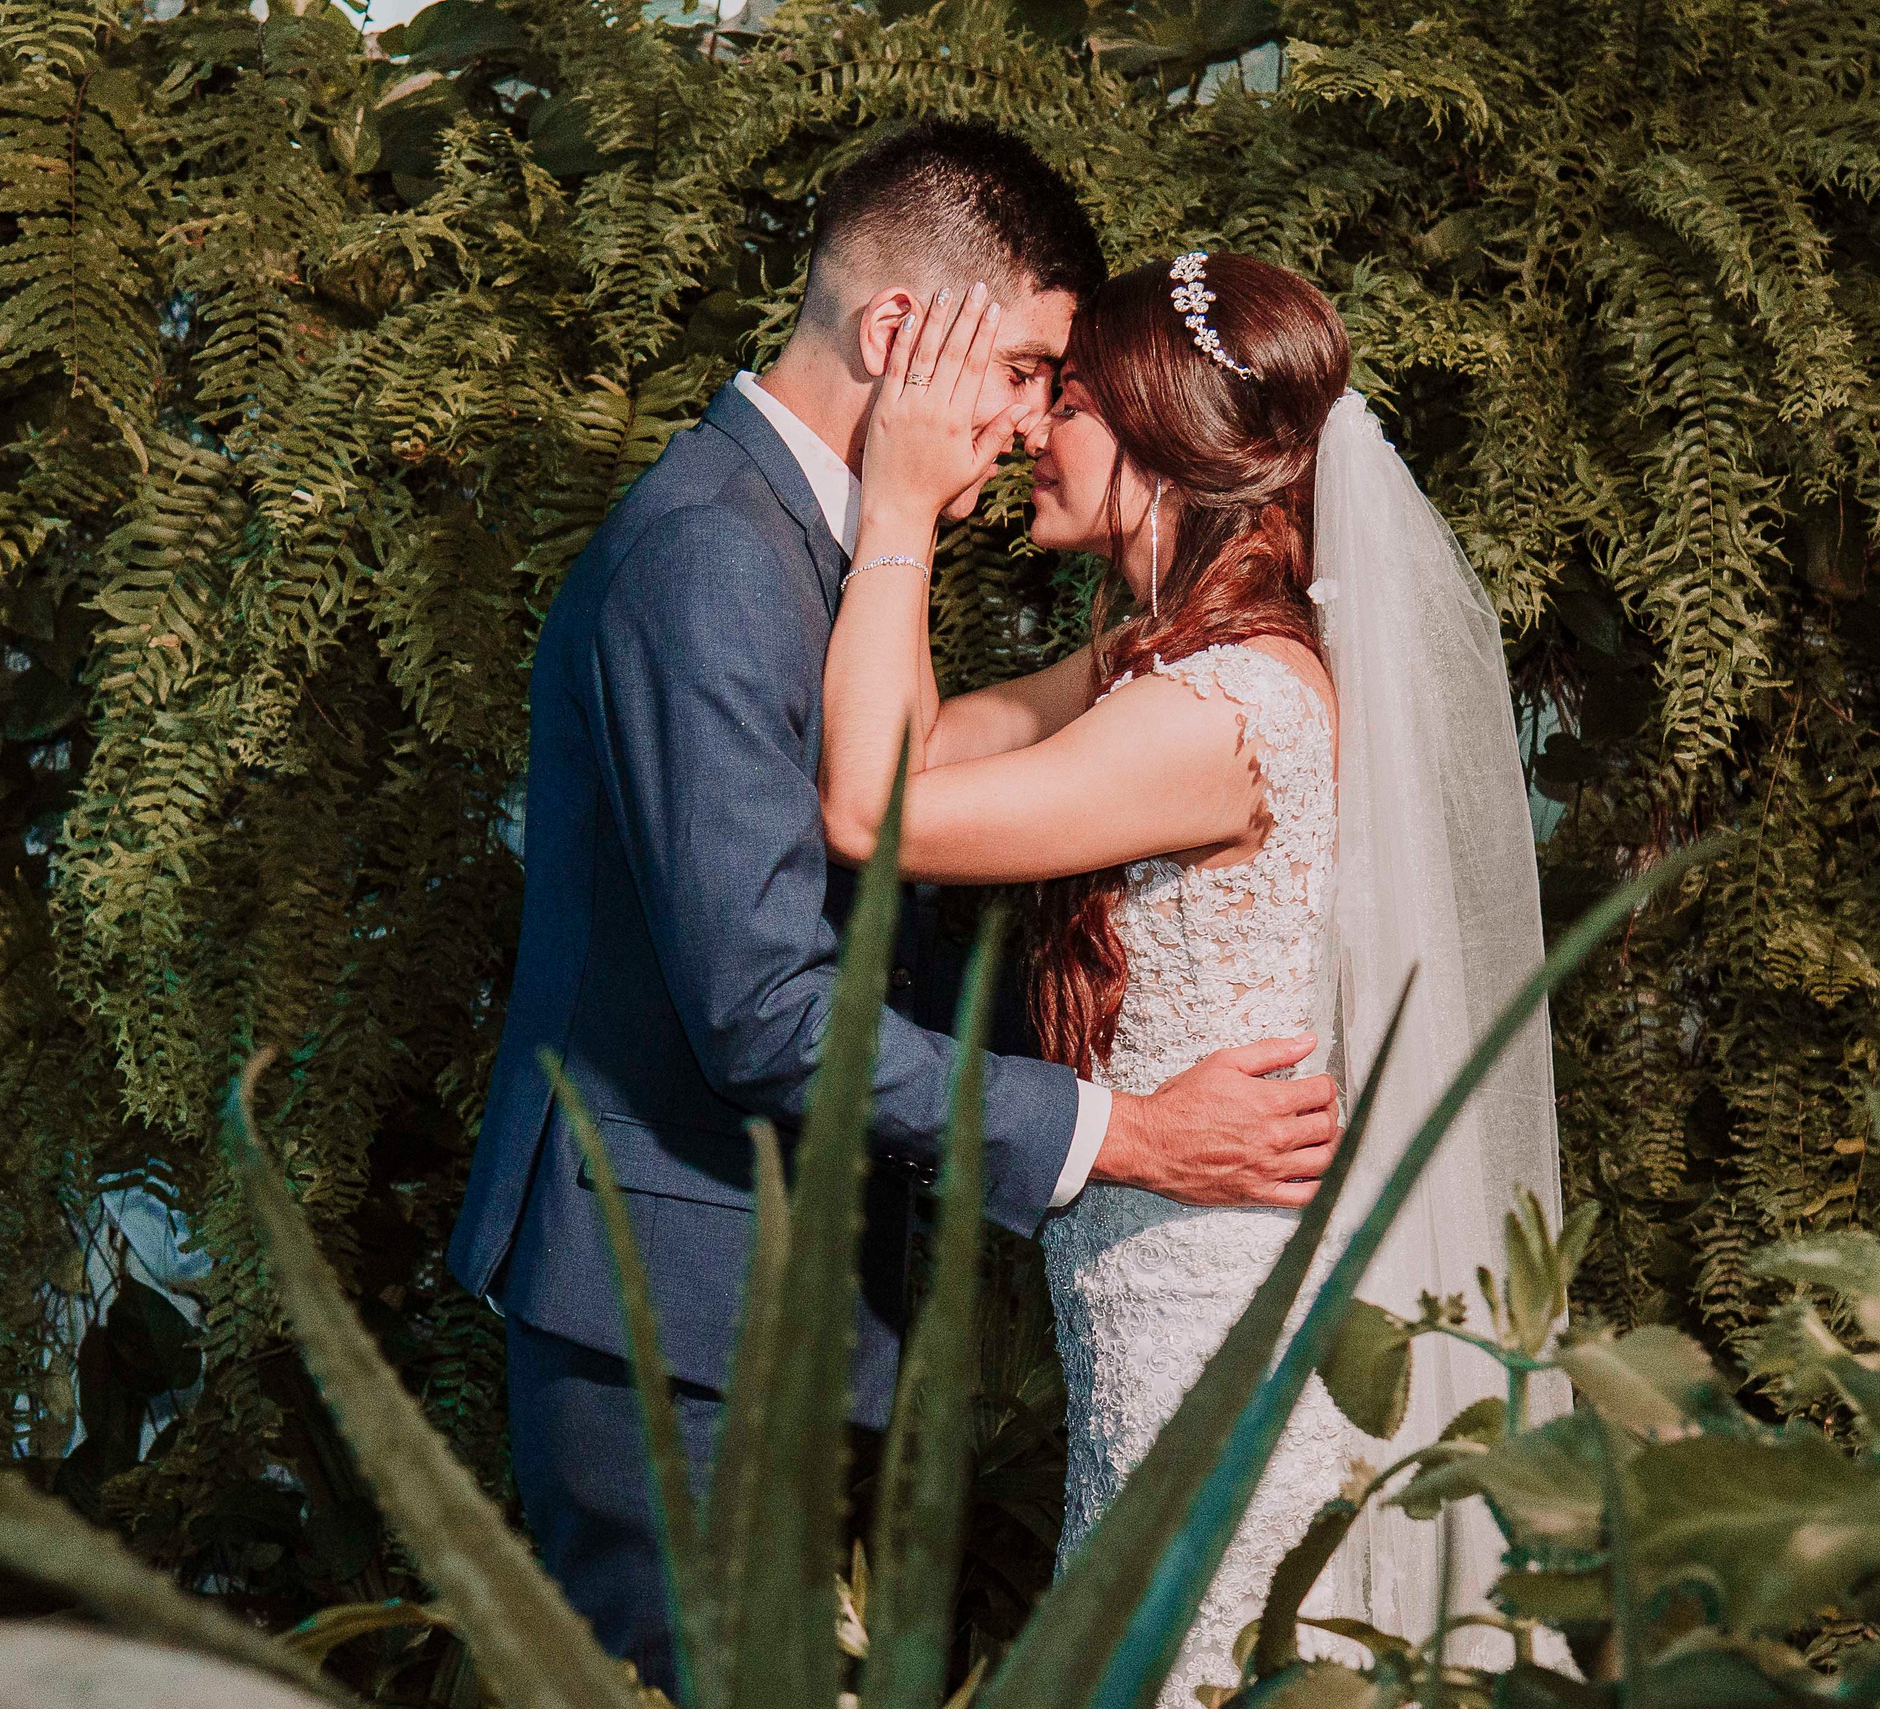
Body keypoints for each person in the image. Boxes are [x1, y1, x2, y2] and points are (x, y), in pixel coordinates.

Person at [443, 120, 1342, 1695]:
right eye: (1017, 371)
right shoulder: (717, 555)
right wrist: (1116, 1133)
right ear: (895, 335)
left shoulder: (823, 554)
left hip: (766, 1306)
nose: (1026, 421)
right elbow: (775, 1008)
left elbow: (898, 818)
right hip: (674, 1318)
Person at [818, 252, 1562, 1701]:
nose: (1035, 430)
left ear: (1164, 434)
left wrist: (898, 509)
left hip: (1218, 1318)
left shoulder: (1217, 715)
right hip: (1154, 1302)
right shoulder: (1154, 670)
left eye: (1072, 400)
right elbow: (925, 747)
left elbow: (868, 815)